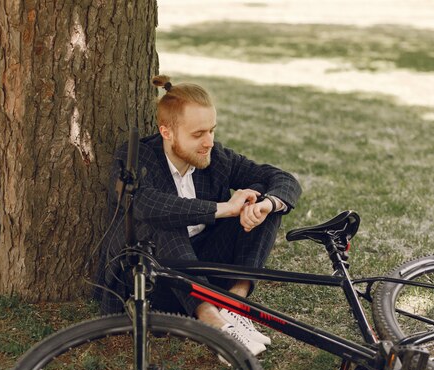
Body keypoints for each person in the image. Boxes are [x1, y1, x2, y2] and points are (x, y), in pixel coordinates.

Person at [94, 75, 302, 355]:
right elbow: (147, 205)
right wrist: (224, 208)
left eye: (211, 131)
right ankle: (214, 325)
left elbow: (280, 177)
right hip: (150, 280)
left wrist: (265, 204)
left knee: (261, 200)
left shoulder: (215, 158)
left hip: (201, 270)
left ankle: (235, 307)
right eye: (198, 134)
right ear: (167, 132)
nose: (209, 143)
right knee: (167, 219)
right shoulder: (136, 157)